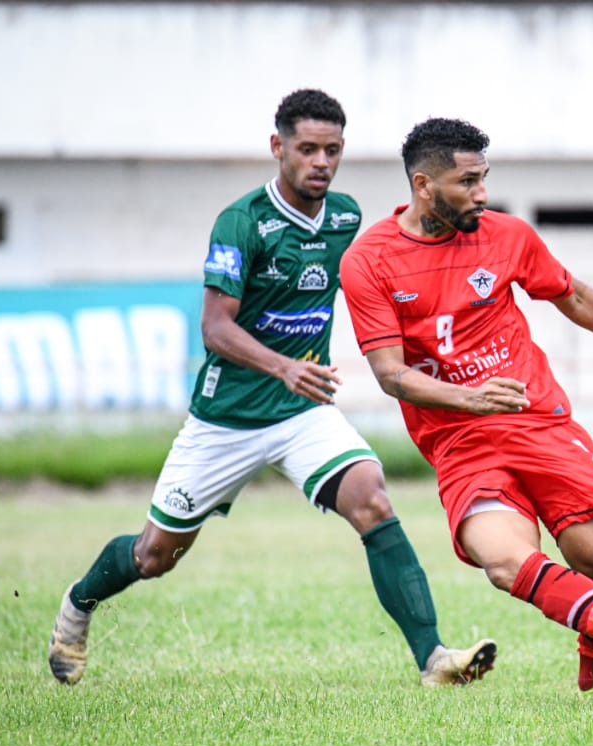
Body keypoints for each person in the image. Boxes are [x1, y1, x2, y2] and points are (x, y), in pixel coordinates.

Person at [48, 90, 495, 688]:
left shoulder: (345, 218)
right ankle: (77, 606)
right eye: (307, 148)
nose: (320, 162)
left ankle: (433, 658)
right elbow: (214, 327)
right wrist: (283, 365)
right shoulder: (243, 222)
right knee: (153, 556)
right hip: (225, 420)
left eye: (332, 150)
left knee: (372, 499)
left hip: (302, 411)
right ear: (277, 147)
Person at [339, 117, 593, 707]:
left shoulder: (507, 235)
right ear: (423, 185)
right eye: (467, 181)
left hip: (537, 419)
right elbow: (392, 375)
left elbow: (576, 297)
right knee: (503, 560)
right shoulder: (369, 261)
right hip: (460, 442)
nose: (482, 193)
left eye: (484, 178)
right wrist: (472, 398)